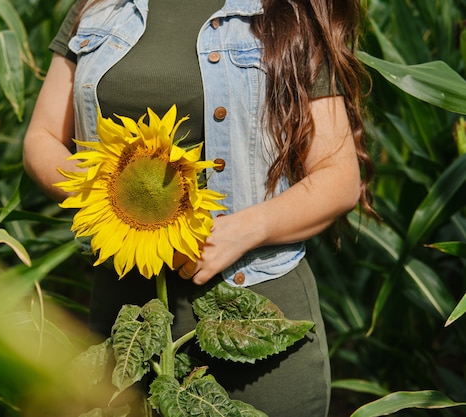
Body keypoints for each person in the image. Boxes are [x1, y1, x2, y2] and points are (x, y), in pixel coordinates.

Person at [23, 0, 375, 415]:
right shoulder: (101, 6)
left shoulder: (287, 9)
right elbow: (41, 136)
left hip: (251, 320)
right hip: (126, 327)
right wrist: (104, 195)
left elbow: (338, 177)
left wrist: (242, 231)